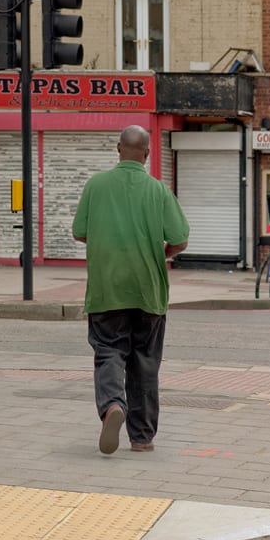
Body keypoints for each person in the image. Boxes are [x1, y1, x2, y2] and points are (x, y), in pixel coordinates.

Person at [71, 126, 190, 455]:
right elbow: (180, 238)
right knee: (145, 363)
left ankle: (112, 405)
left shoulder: (96, 186)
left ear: (118, 148)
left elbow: (80, 231)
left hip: (107, 289)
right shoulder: (158, 190)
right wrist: (160, 252)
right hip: (149, 291)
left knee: (109, 350)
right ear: (148, 155)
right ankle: (142, 437)